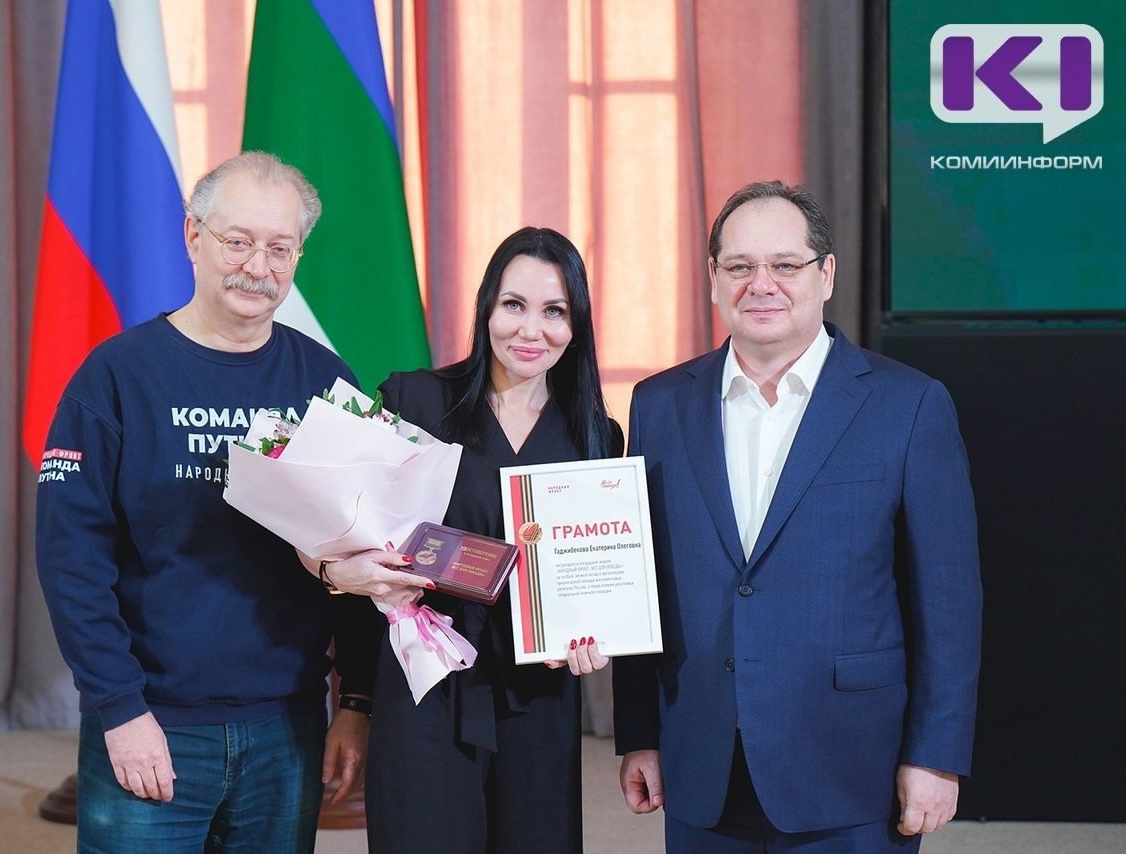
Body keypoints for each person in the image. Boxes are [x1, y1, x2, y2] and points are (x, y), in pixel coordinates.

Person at [613, 181, 982, 851]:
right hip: (701, 758)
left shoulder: (909, 404)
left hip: (852, 766)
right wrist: (639, 733)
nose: (762, 284)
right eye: (740, 266)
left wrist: (935, 754)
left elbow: (949, 600)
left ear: (826, 274)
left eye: (785, 264)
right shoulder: (659, 404)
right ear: (714, 279)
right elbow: (647, 581)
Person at [35, 151, 381, 852]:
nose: (258, 266)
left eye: (280, 248)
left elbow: (361, 549)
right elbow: (71, 560)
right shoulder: (116, 376)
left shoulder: (324, 381)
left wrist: (355, 702)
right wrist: (119, 708)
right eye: (238, 240)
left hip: (286, 725)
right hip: (151, 719)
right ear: (194, 236)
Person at [333, 227, 621, 854]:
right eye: (514, 304)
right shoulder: (412, 403)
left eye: (554, 311)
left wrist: (596, 632)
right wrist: (354, 702)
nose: (531, 329)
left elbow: (599, 579)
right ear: (487, 306)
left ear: (576, 325)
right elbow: (359, 559)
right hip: (424, 690)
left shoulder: (597, 437)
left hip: (540, 698)